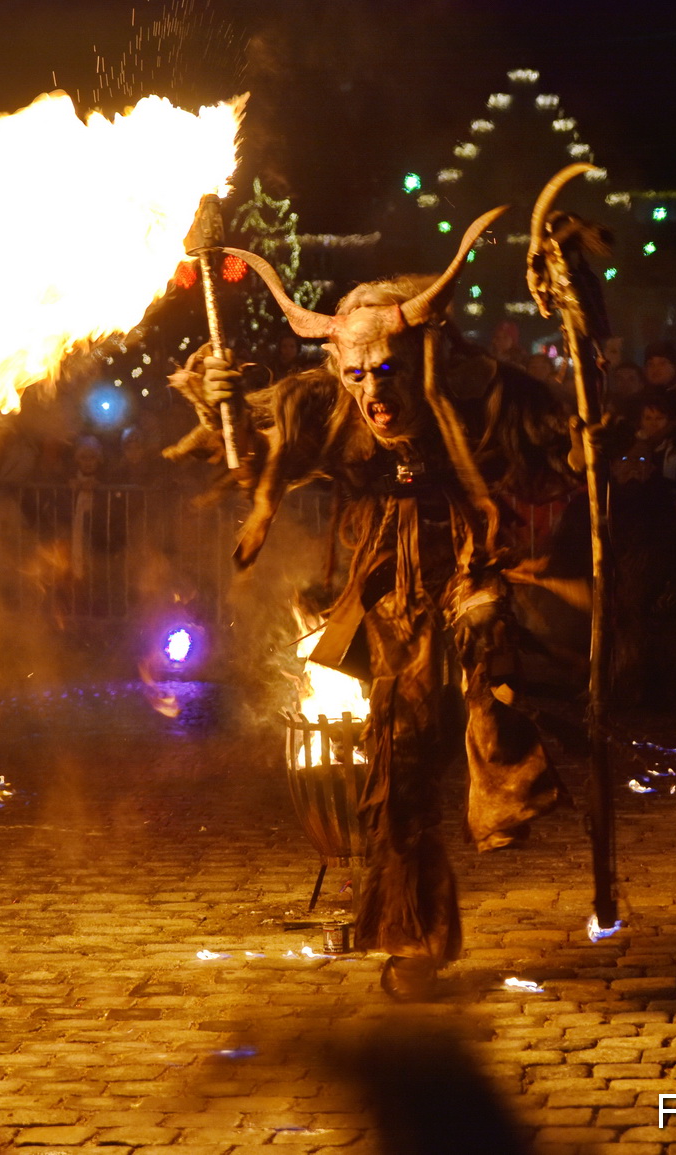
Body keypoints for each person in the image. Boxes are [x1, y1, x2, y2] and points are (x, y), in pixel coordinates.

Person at [172, 209, 572, 1000]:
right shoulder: (325, 403)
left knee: (498, 717)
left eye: (387, 372)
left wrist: (497, 582)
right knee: (401, 755)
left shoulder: (477, 396)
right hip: (390, 603)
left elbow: (558, 459)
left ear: (419, 355)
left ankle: (511, 771)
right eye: (356, 375)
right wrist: (214, 391)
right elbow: (253, 445)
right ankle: (416, 933)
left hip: (481, 580)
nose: (373, 393)